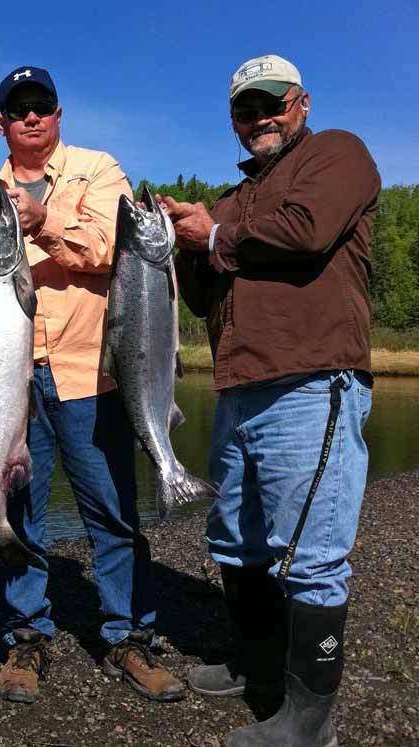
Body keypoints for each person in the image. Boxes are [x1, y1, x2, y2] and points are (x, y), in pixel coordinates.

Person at [167, 55, 379, 747]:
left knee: (311, 554)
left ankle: (308, 718)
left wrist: (216, 237)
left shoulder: (337, 155)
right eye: (244, 110)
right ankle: (256, 662)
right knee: (236, 537)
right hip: (238, 389)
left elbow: (308, 230)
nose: (259, 119)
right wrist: (179, 247)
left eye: (271, 105)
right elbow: (203, 297)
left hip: (312, 381)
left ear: (302, 103)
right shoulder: (229, 201)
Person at [0, 66, 185, 705]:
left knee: (113, 511)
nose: (31, 118)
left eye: (41, 106)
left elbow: (109, 247)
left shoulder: (98, 171)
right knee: (18, 510)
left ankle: (129, 636)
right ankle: (27, 635)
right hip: (8, 379)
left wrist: (42, 221)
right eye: (19, 110)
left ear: (59, 113)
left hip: (90, 371)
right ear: (1, 123)